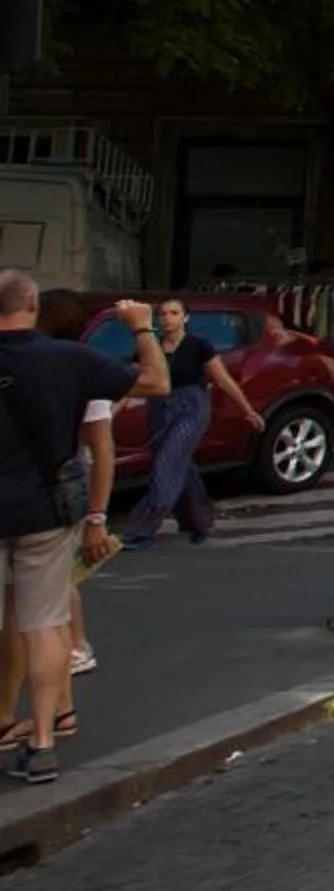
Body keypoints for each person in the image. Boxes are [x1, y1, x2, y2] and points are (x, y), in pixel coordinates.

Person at [0, 272, 167, 786]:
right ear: (32, 305)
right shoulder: (68, 360)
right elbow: (157, 383)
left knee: (11, 622)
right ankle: (44, 742)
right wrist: (141, 328)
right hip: (44, 510)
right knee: (45, 623)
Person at [116, 299, 258, 546]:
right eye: (163, 314)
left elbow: (223, 380)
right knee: (182, 467)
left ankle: (141, 530)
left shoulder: (198, 346)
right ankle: (199, 521)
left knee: (166, 466)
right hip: (159, 408)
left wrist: (248, 411)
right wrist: (112, 413)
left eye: (174, 313)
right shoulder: (149, 347)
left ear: (185, 318)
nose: (167, 318)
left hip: (191, 407)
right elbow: (132, 384)